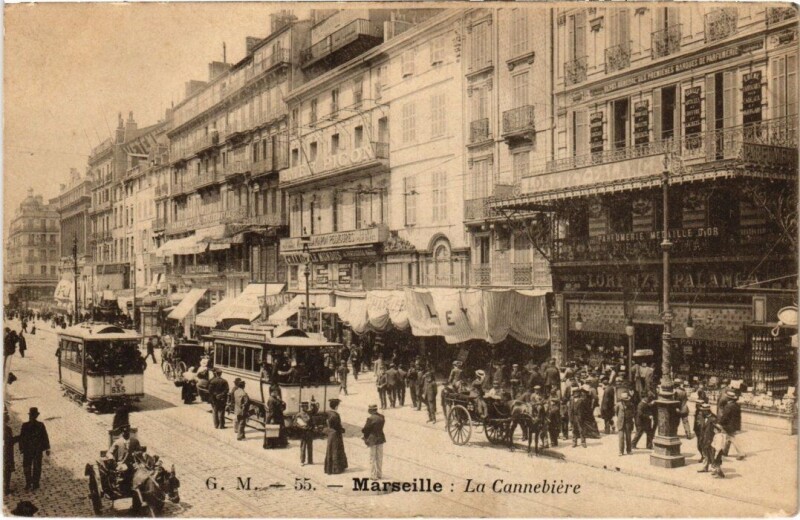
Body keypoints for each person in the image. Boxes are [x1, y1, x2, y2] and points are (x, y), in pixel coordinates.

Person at [18, 407, 50, 491]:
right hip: (28, 450)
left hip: (37, 450)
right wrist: (21, 448)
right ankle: (28, 483)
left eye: (33, 415)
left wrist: (47, 448)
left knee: (37, 467)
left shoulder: (40, 425)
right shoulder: (25, 425)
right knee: (27, 467)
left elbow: (44, 436)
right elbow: (21, 437)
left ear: (35, 416)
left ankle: (35, 483)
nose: (31, 417)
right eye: (31, 415)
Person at [718, 390, 745, 460]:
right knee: (728, 438)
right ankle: (725, 451)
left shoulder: (728, 406)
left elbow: (725, 417)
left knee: (732, 438)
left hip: (729, 425)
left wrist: (720, 422)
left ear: (728, 398)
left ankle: (741, 453)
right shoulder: (736, 405)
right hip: (735, 425)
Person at [362, 404, 386, 480]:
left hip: (372, 439)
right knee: (379, 457)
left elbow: (365, 429)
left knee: (372, 458)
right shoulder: (382, 417)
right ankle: (379, 474)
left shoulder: (370, 419)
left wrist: (365, 436)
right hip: (380, 438)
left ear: (371, 410)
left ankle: (373, 475)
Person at [324, 399, 348, 475]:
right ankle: (336, 469)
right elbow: (337, 426)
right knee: (336, 449)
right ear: (336, 406)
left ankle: (329, 468)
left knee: (330, 449)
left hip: (330, 433)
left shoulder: (328, 413)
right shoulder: (335, 415)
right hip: (336, 434)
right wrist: (342, 430)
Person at [615, 391, 634, 456]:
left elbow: (633, 413)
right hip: (620, 422)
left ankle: (629, 450)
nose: (625, 401)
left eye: (626, 400)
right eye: (624, 400)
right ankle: (621, 451)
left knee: (628, 437)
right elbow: (616, 412)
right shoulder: (618, 405)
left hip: (628, 422)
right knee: (621, 437)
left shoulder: (631, 405)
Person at [5, 412, 18, 494]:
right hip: (6, 453)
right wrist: (20, 437)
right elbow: (10, 441)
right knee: (7, 470)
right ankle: (6, 488)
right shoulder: (7, 429)